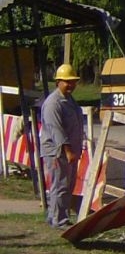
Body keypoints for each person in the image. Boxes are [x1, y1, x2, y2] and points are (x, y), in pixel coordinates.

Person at [39, 63, 85, 229]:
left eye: (73, 81)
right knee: (61, 185)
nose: (71, 85)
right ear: (58, 81)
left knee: (66, 185)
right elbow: (56, 130)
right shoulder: (53, 103)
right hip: (58, 152)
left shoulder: (69, 100)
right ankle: (60, 220)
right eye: (67, 82)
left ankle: (54, 216)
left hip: (70, 151)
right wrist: (68, 151)